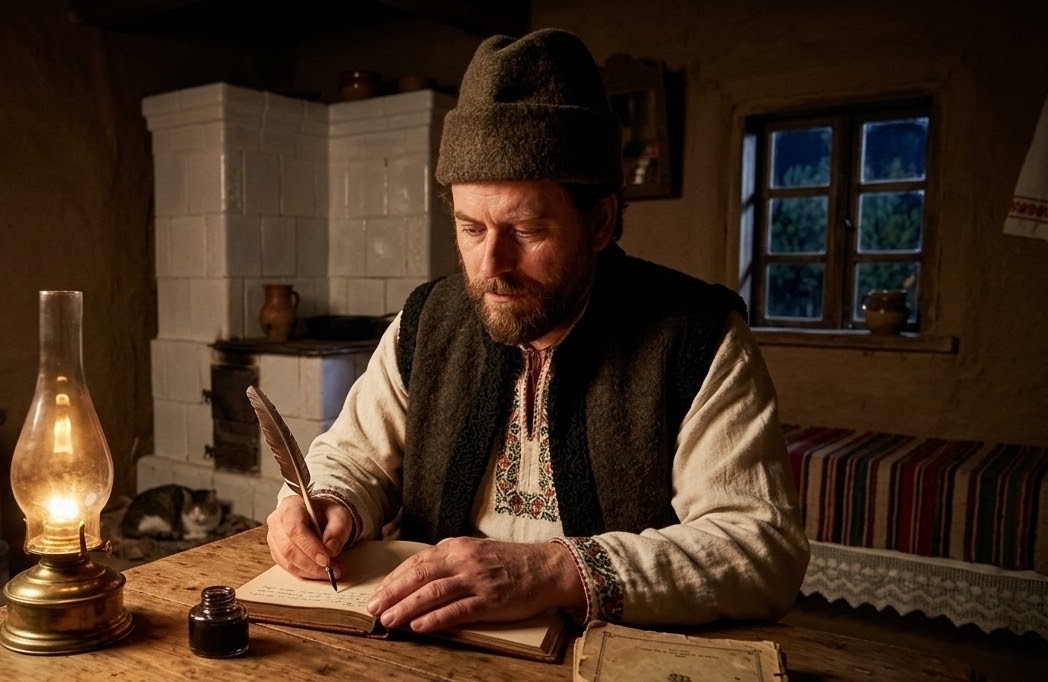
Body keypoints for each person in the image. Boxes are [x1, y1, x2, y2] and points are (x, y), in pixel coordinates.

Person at [265, 27, 809, 635]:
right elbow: (353, 456)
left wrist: (556, 572)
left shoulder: (699, 339)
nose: (490, 266)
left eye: (525, 231)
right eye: (471, 229)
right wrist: (328, 502)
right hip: (420, 650)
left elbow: (759, 548)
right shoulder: (428, 321)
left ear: (600, 221)